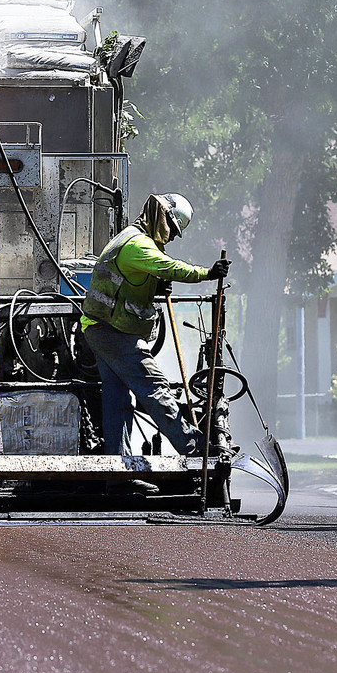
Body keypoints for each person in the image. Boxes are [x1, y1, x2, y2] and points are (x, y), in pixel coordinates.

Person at [79, 193, 229, 471]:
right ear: (162, 218)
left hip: (102, 329)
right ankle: (197, 450)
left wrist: (154, 286)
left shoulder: (131, 238)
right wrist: (207, 274)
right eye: (171, 228)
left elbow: (129, 282)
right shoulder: (138, 244)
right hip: (113, 333)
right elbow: (170, 267)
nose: (171, 237)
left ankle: (116, 472)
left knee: (117, 402)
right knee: (155, 388)